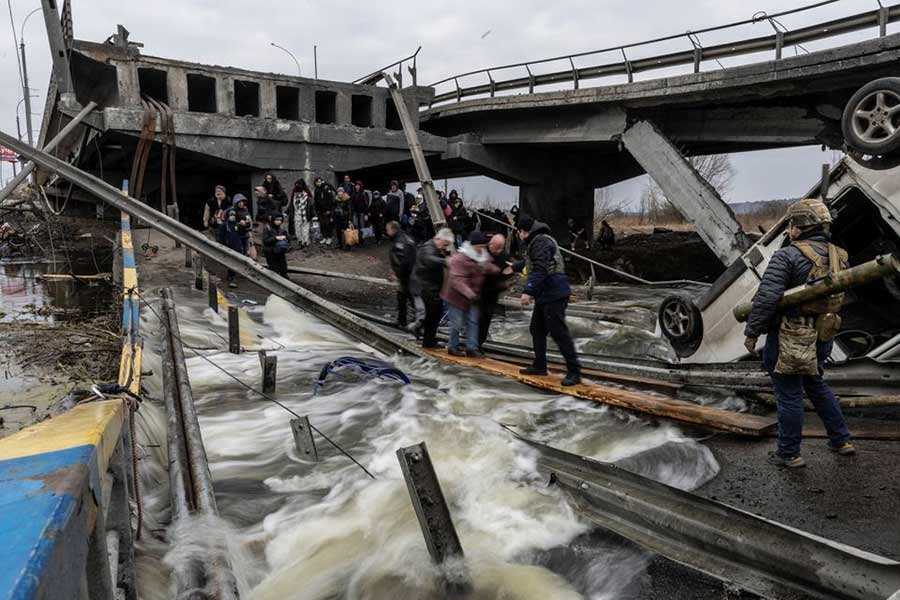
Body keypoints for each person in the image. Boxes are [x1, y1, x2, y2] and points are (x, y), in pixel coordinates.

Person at [743, 198, 854, 468]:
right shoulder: (840, 255)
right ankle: (842, 441)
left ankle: (788, 453)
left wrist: (752, 331)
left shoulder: (787, 256)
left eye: (792, 223)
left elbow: (767, 298)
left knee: (788, 393)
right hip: (823, 333)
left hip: (789, 335)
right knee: (816, 384)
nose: (789, 229)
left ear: (800, 226)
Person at [514, 214, 581, 386]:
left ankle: (574, 372)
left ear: (523, 231)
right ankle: (540, 366)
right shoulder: (538, 240)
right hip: (546, 295)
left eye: (519, 232)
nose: (518, 235)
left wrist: (527, 291)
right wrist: (514, 267)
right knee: (536, 329)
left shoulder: (540, 242)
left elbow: (540, 269)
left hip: (554, 294)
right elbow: (532, 263)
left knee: (559, 333)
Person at [442, 231, 497, 357]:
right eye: (480, 246)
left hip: (472, 296)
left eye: (483, 246)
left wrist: (500, 271)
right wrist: (470, 294)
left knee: (473, 321)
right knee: (457, 323)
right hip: (455, 296)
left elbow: (489, 267)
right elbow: (456, 280)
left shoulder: (483, 256)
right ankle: (452, 346)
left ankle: (472, 348)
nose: (482, 248)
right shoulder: (460, 259)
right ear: (473, 246)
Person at [413, 228, 454, 347]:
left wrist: (446, 254)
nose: (444, 247)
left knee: (435, 314)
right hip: (426, 287)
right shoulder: (428, 248)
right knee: (433, 315)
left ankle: (427, 336)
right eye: (445, 245)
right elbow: (429, 260)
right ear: (439, 239)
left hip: (432, 286)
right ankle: (427, 340)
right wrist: (445, 261)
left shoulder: (436, 248)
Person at [478, 234, 513, 349]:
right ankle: (473, 344)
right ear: (490, 244)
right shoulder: (482, 252)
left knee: (486, 319)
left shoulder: (503, 256)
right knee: (477, 319)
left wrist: (506, 281)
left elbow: (509, 270)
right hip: (480, 292)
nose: (498, 251)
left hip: (493, 293)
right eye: (496, 248)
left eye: (500, 248)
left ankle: (479, 344)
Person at [387, 221, 421, 327]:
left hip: (407, 275)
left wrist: (398, 275)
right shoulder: (405, 238)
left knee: (407, 297)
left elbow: (404, 261)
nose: (387, 232)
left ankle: (412, 320)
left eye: (388, 230)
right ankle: (404, 320)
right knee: (403, 298)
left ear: (393, 229)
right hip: (409, 274)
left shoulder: (400, 242)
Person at [220, 194, 253, 288]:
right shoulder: (232, 210)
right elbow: (231, 218)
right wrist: (237, 222)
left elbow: (249, 223)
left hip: (244, 235)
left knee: (243, 255)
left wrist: (246, 224)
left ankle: (239, 272)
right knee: (236, 254)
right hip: (234, 236)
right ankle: (232, 276)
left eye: (243, 202)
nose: (241, 204)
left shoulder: (246, 210)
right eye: (240, 202)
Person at [290, 179, 312, 247]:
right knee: (297, 229)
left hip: (305, 214)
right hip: (297, 213)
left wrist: (313, 214)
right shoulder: (294, 194)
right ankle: (300, 240)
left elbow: (311, 205)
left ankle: (305, 241)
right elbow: (291, 204)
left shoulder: (307, 195)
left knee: (305, 228)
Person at [314, 177, 336, 246]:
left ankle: (329, 238)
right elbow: (316, 201)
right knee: (322, 224)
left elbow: (330, 200)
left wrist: (329, 210)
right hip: (319, 210)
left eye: (319, 182)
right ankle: (325, 237)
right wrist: (316, 210)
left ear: (321, 181)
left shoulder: (326, 188)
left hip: (327, 210)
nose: (318, 183)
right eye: (317, 182)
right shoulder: (316, 189)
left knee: (327, 224)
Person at [350, 180, 369, 245]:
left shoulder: (364, 193)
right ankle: (357, 239)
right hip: (355, 212)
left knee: (362, 226)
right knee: (356, 226)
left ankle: (363, 239)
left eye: (358, 185)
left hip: (362, 212)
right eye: (356, 185)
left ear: (360, 186)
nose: (357, 187)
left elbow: (366, 204)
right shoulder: (353, 193)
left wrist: (366, 214)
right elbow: (351, 203)